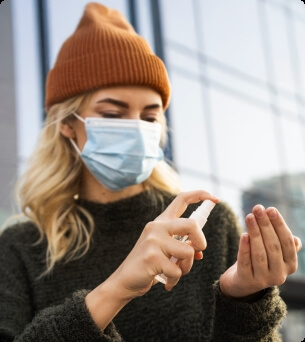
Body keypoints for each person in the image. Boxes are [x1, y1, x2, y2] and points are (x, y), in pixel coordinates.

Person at [0, 2, 302, 341]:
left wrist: (243, 298)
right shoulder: (21, 247)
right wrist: (116, 289)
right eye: (113, 115)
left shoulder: (205, 226)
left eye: (149, 117)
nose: (135, 129)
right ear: (69, 123)